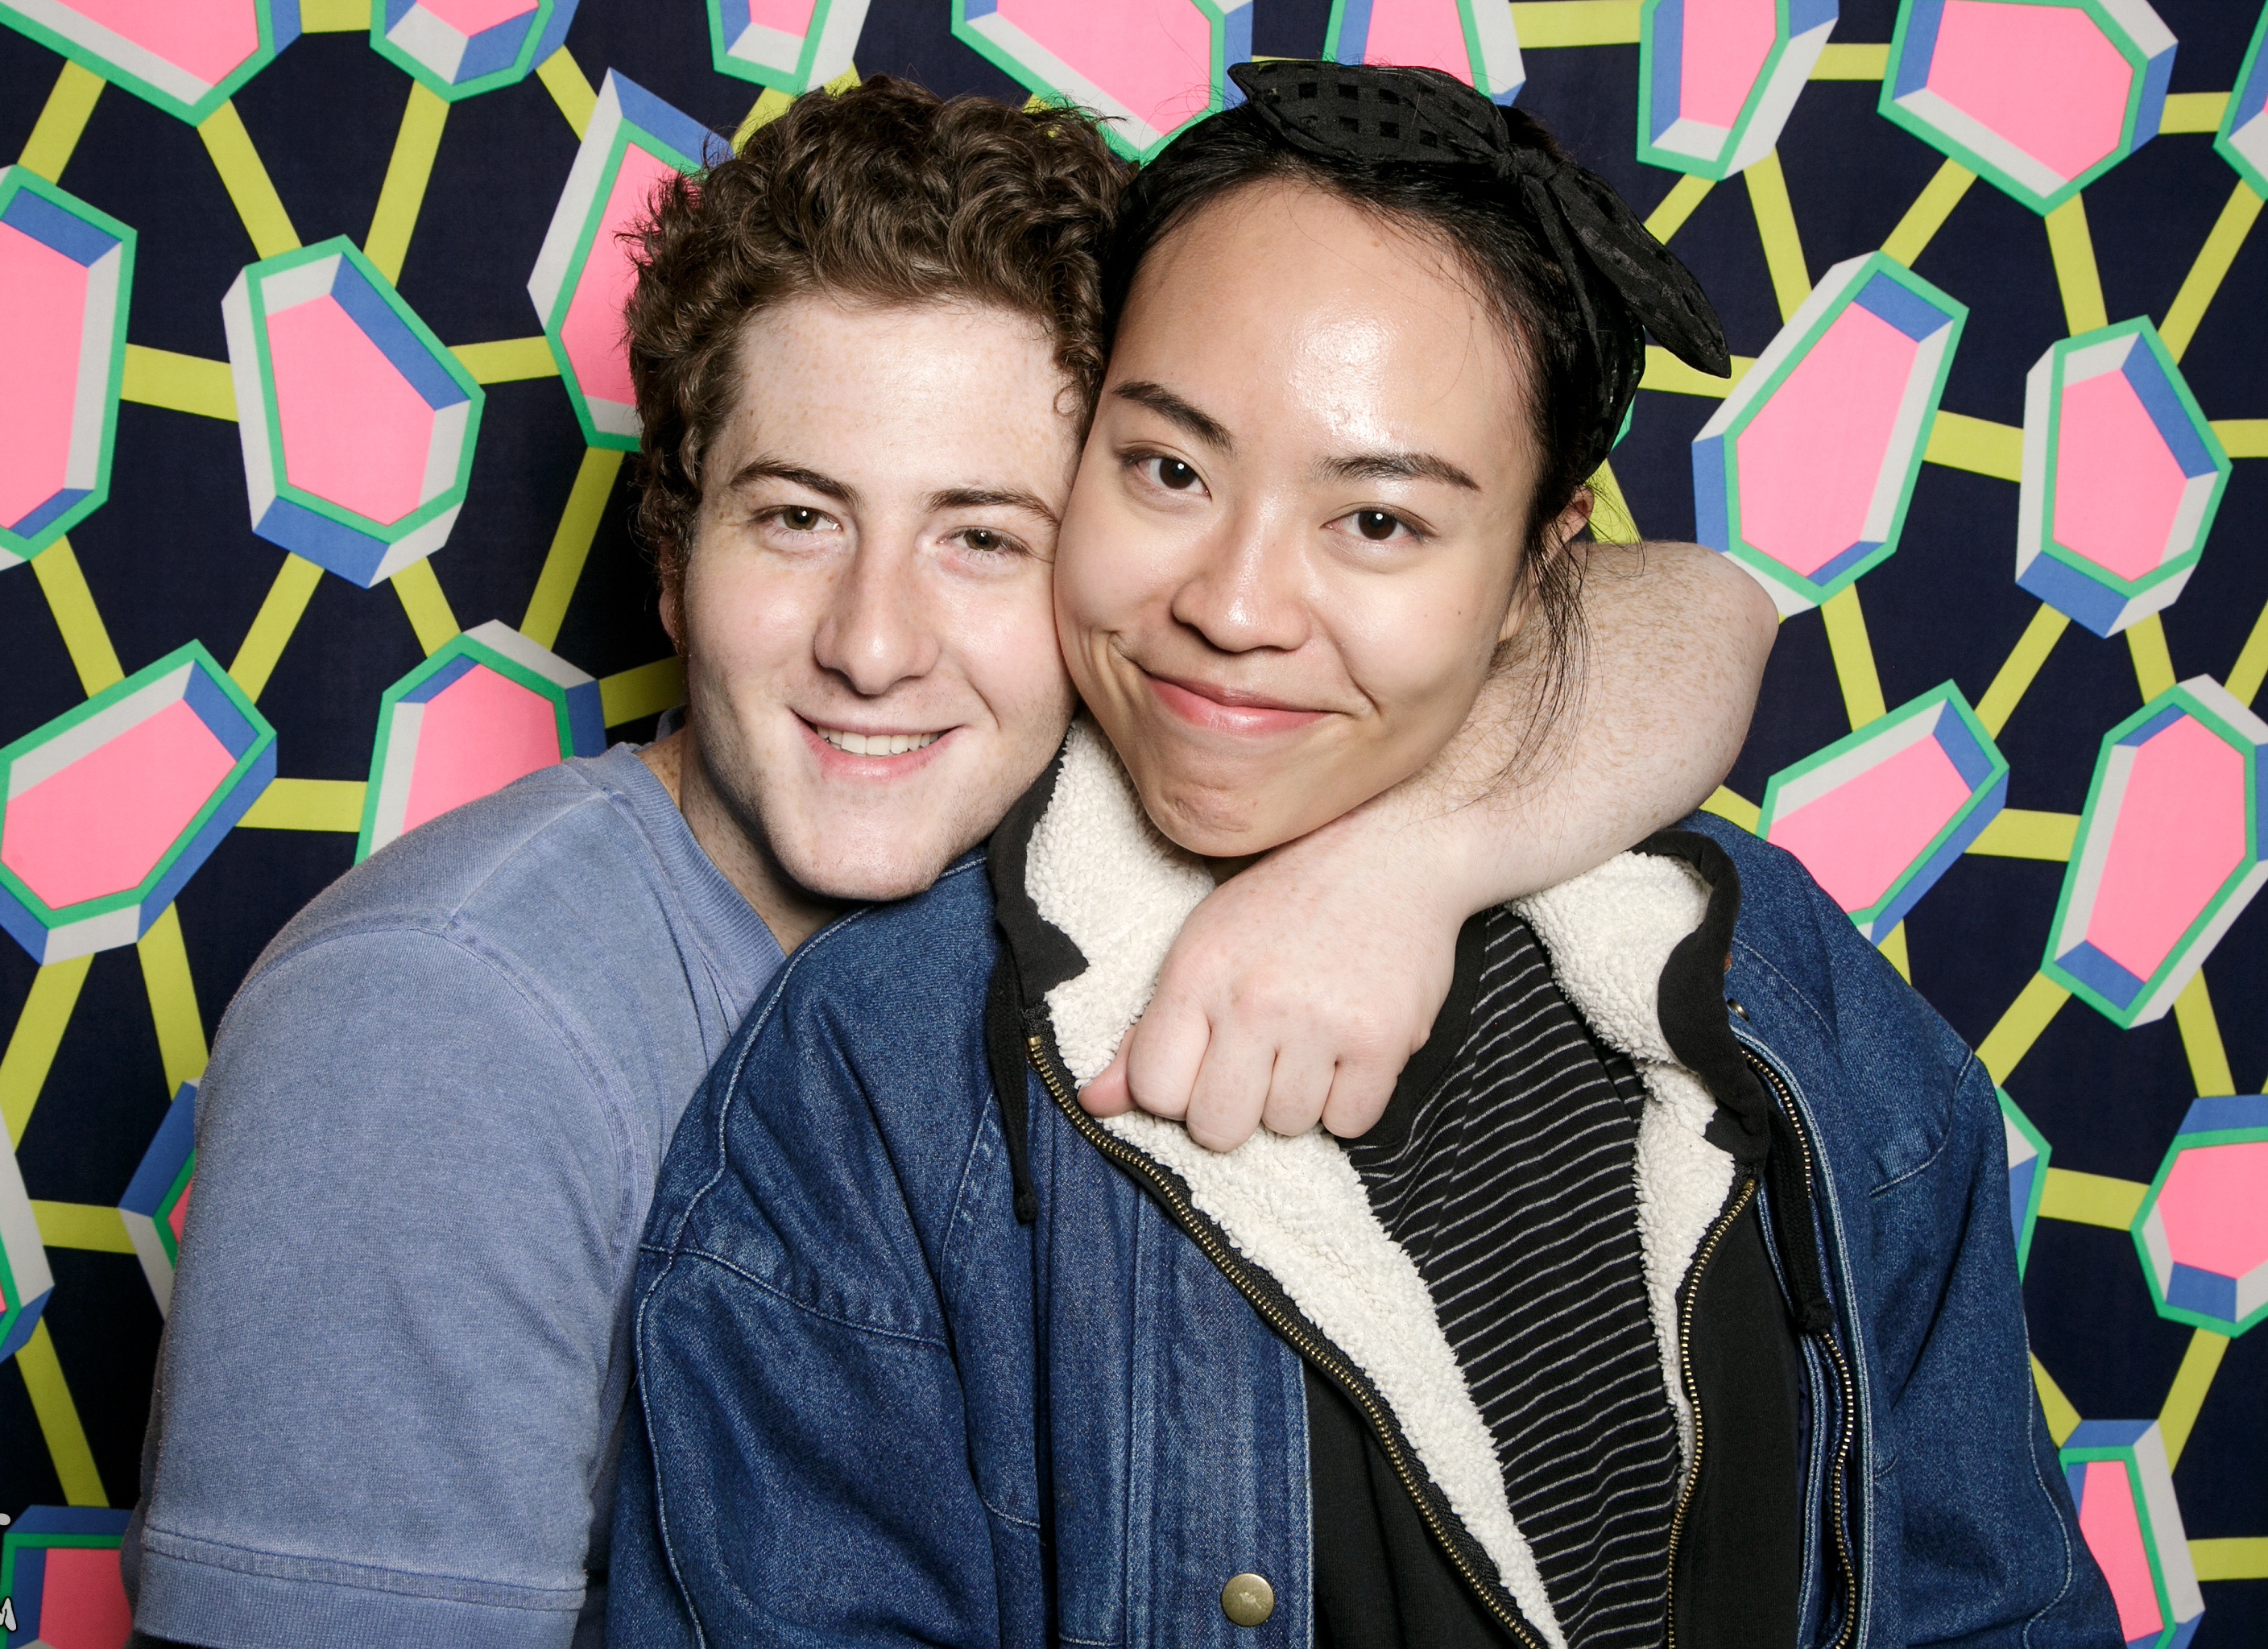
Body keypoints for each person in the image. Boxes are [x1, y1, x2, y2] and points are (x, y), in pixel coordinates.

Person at [126, 79, 1771, 1649]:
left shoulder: (1133, 847)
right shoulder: (441, 1025)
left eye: (984, 536)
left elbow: (1685, 611)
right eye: (796, 517)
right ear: (673, 553)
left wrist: (1400, 868)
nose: (874, 643)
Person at [610, 64, 2116, 1649]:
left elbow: (1992, 1606)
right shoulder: (879, 1076)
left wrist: (1403, 870)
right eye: (1170, 470)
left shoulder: (1783, 994)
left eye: (1379, 522)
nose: (1234, 606)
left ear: (1539, 568)